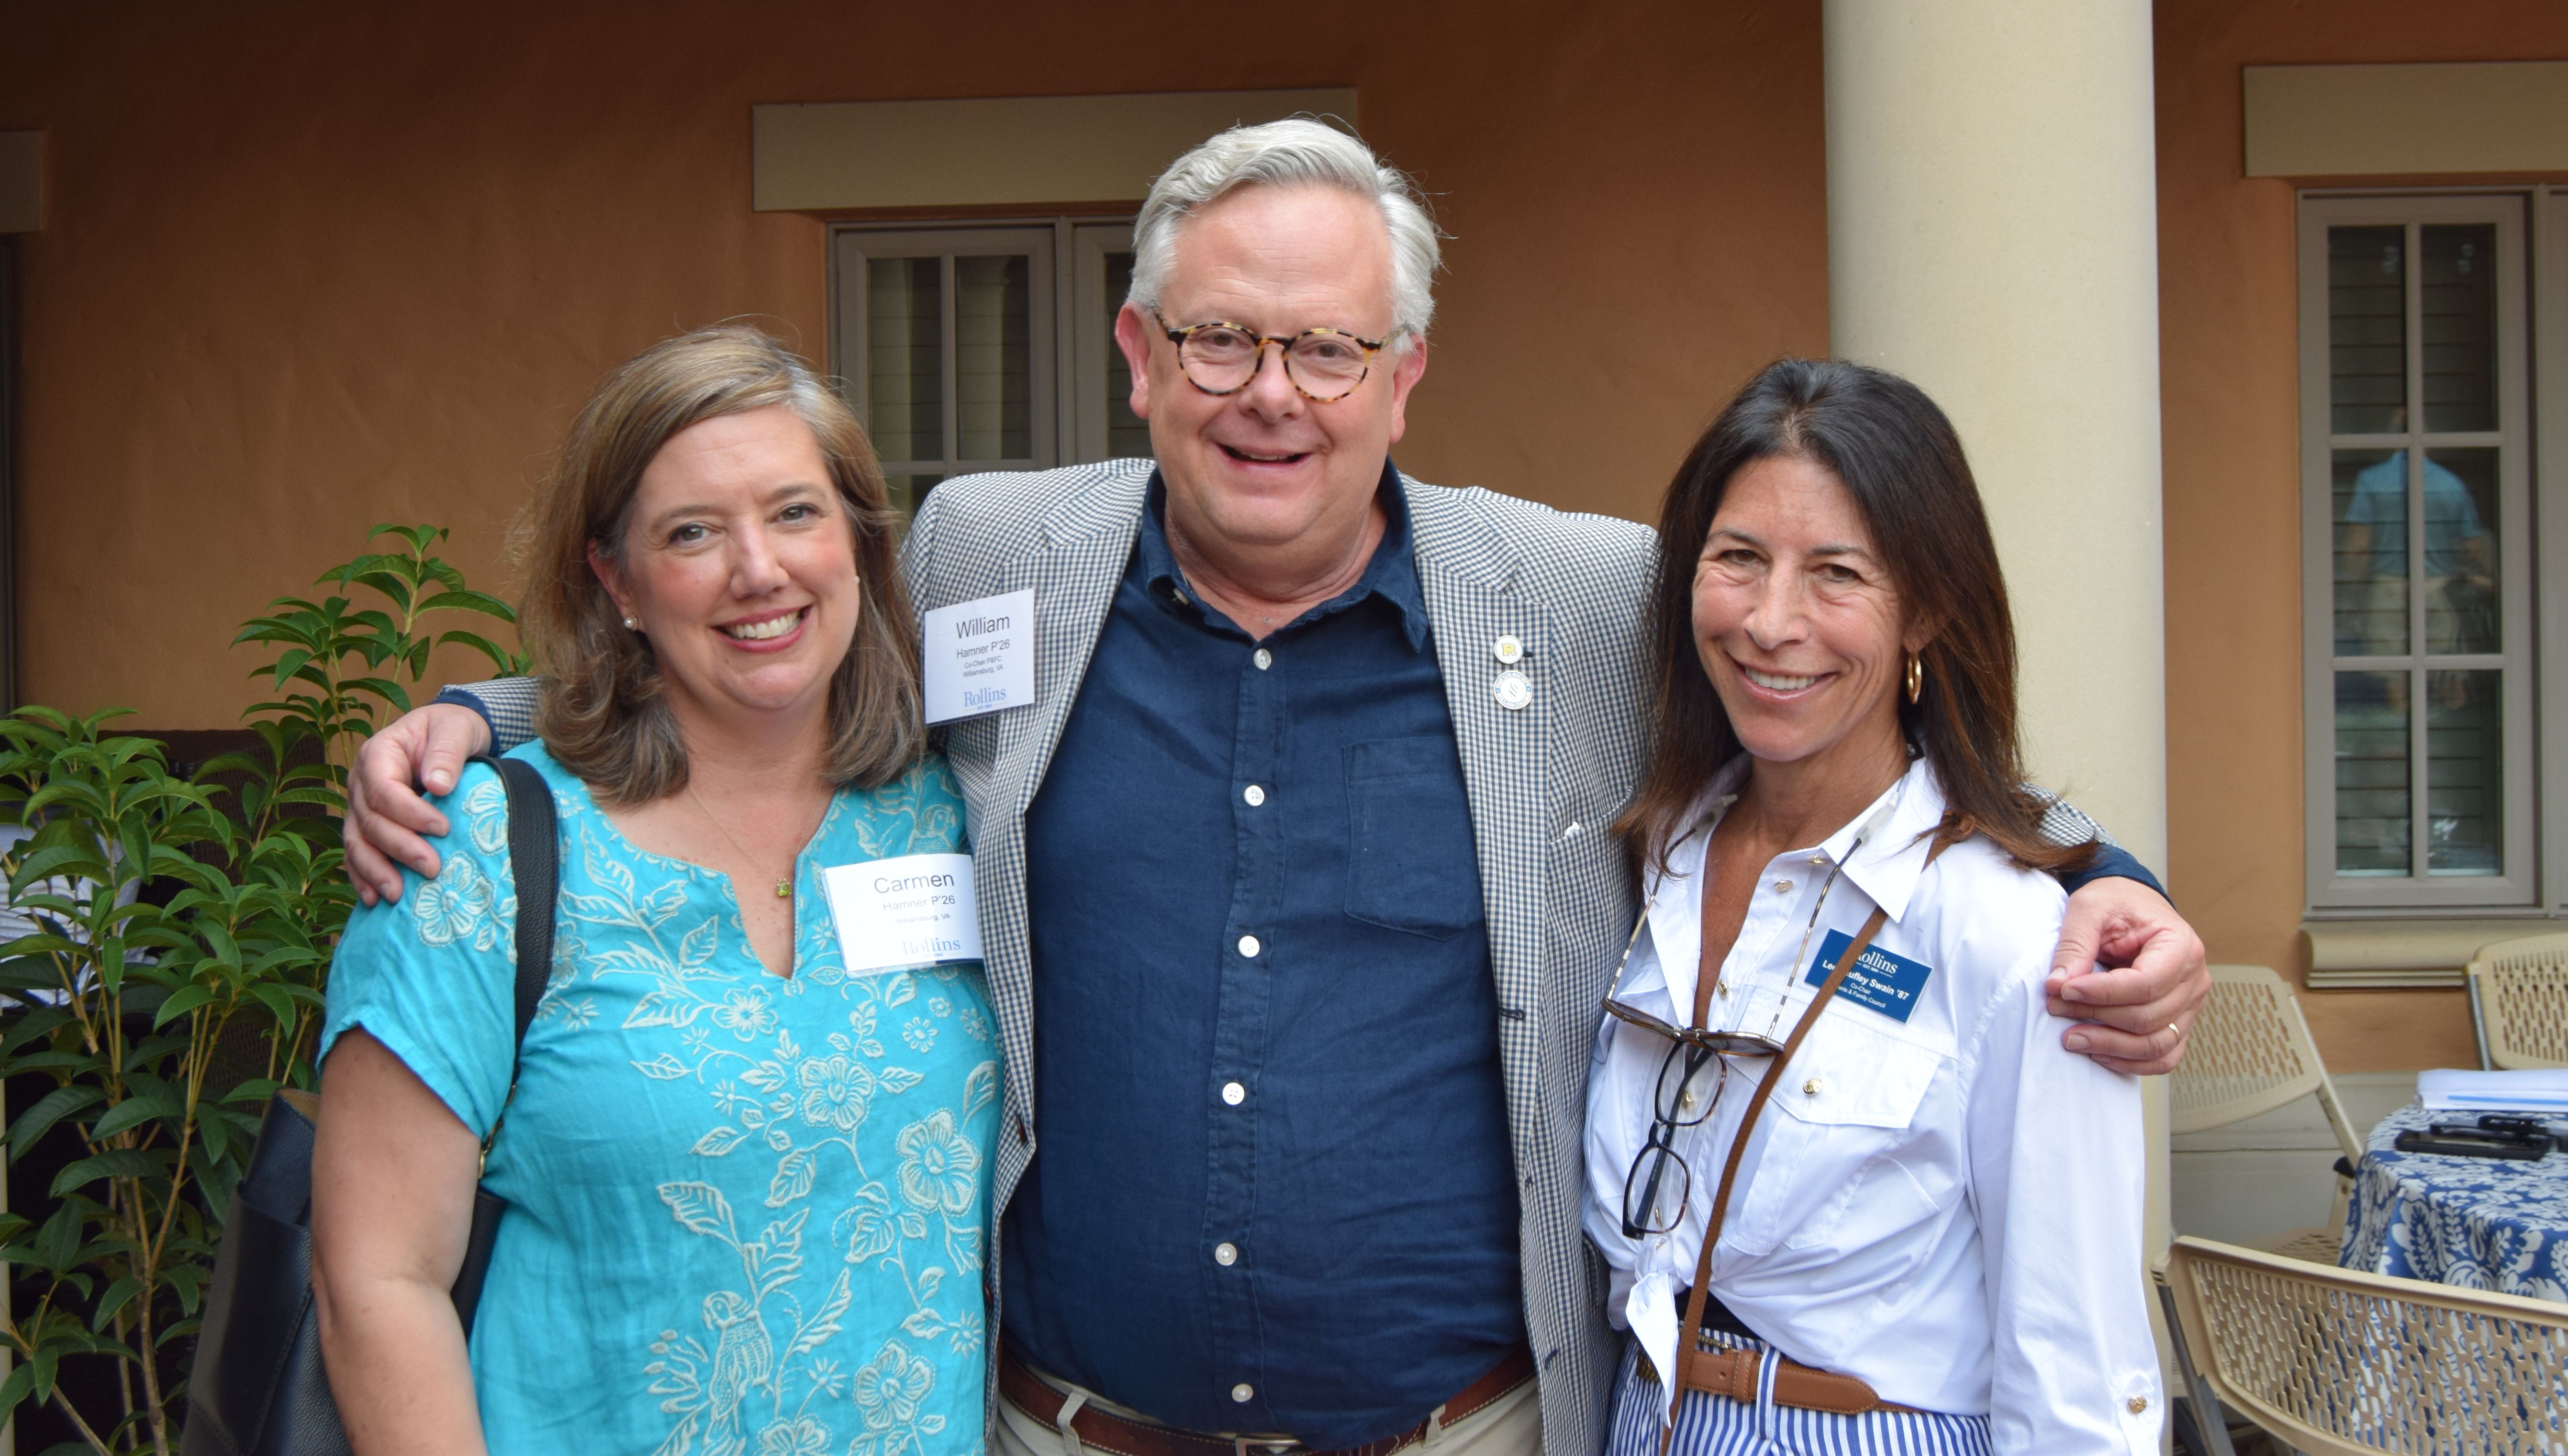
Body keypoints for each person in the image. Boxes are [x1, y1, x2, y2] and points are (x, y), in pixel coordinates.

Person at [339, 121, 2209, 1456]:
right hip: (1071, 1429)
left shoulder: (1578, 602)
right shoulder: (999, 555)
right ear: (1138, 356)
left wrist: (2092, 881)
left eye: (1327, 348)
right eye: (1221, 338)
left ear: (1405, 374)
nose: (1271, 394)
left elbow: (1833, 703)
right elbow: (764, 631)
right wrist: (487, 717)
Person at [310, 327, 997, 1456]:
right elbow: (378, 1277)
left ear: (857, 542)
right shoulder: (481, 851)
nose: (758, 569)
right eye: (692, 532)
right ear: (617, 580)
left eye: (795, 512)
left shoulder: (955, 807)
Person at [1584, 359, 2157, 1456]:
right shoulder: (1651, 854)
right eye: (1737, 558)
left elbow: (2077, 1363)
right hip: (1643, 1416)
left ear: (1926, 609)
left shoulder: (2008, 932)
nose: (1770, 621)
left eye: (1836, 574)